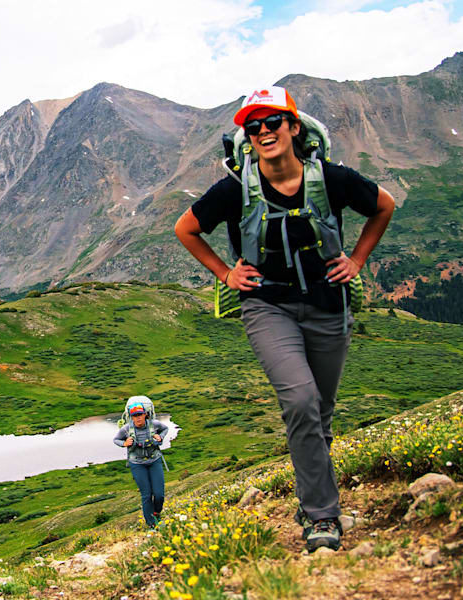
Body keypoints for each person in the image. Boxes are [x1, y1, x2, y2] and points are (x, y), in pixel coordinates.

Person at [173, 86, 395, 552]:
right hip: (267, 306)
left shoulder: (331, 178)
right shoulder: (235, 189)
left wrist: (356, 259)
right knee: (300, 401)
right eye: (252, 127)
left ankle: (312, 492)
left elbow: (383, 205)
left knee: (321, 411)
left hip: (328, 304)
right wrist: (225, 273)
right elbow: (186, 229)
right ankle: (321, 517)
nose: (263, 132)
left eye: (273, 122)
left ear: (295, 127)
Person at [113, 396, 169, 528]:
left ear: (145, 414)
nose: (138, 418)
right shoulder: (126, 429)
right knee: (146, 494)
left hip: (154, 460)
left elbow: (165, 429)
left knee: (159, 494)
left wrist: (160, 437)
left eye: (140, 414)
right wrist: (124, 443)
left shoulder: (154, 425)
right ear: (131, 417)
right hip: (137, 464)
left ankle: (156, 513)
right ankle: (152, 525)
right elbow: (116, 439)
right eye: (135, 415)